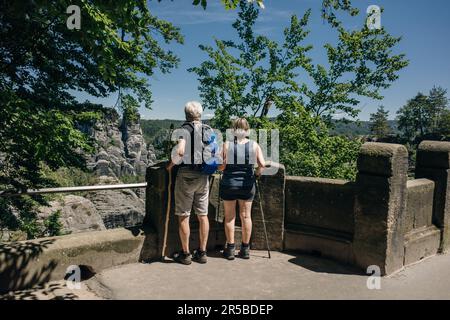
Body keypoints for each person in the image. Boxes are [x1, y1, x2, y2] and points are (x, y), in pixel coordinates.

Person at [166, 101, 210, 265]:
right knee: (203, 215)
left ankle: (186, 254)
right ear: (200, 113)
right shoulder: (208, 129)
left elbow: (180, 151)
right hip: (204, 175)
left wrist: (170, 165)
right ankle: (202, 252)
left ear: (186, 114)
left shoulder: (184, 129)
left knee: (184, 215)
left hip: (186, 175)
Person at [218, 118, 265, 260]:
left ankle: (231, 249)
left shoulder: (226, 145)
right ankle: (245, 249)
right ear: (247, 130)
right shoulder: (254, 145)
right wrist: (256, 174)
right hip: (247, 185)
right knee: (246, 216)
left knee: (230, 217)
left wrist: (222, 165)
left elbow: (221, 167)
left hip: (229, 184)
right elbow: (262, 164)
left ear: (233, 131)